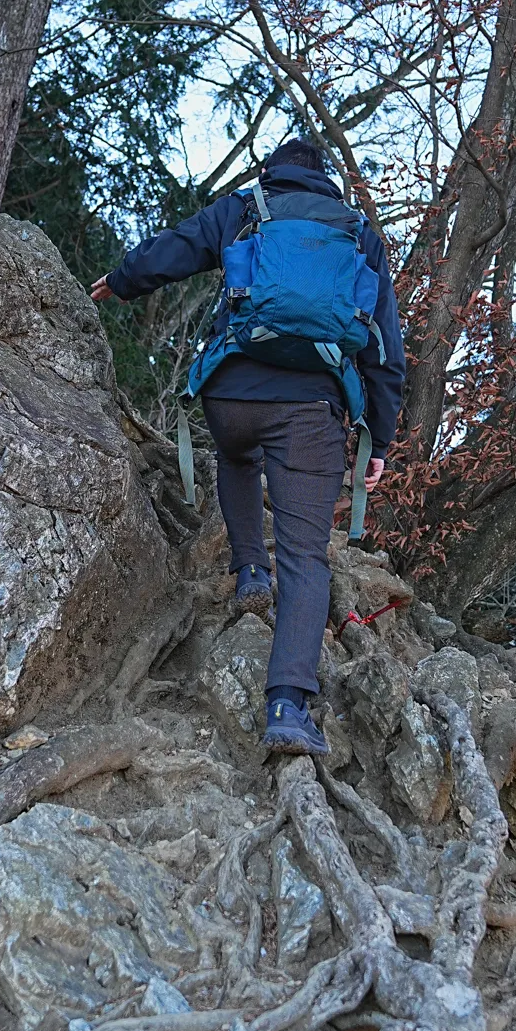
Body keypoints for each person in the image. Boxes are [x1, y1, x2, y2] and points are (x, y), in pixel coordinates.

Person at [92, 138, 404, 758]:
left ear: (273, 172)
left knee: (235, 456)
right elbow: (382, 347)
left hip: (231, 393)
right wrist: (381, 436)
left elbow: (176, 250)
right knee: (308, 557)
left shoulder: (246, 206)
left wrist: (119, 282)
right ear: (329, 184)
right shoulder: (359, 233)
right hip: (313, 410)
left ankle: (248, 569)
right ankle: (288, 705)